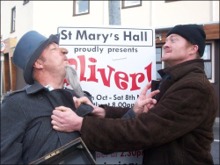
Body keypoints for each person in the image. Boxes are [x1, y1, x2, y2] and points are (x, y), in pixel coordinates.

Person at [51, 24, 218, 165]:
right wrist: (102, 111)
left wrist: (81, 124)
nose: (165, 44)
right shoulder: (174, 81)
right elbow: (149, 120)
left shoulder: (194, 88)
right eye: (165, 40)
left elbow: (144, 130)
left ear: (193, 49)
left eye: (173, 40)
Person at [0, 31, 159, 164]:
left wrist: (134, 111)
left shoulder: (79, 99)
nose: (64, 51)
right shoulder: (17, 104)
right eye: (54, 49)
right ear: (38, 63)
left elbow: (107, 137)